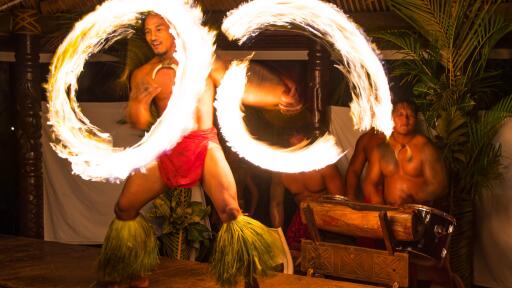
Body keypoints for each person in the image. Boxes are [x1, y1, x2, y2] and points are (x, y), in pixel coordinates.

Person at [97, 12, 302, 287]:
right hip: (165, 150)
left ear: (174, 29)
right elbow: (139, 121)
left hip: (203, 145)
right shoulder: (144, 74)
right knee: (124, 208)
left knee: (230, 211)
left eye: (159, 28)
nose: (153, 36)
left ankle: (248, 278)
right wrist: (139, 103)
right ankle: (135, 277)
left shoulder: (204, 62)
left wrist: (277, 98)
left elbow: (238, 87)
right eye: (148, 31)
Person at [362, 98, 447, 207]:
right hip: (389, 211)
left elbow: (440, 185)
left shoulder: (425, 147)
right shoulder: (382, 149)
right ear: (391, 118)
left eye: (410, 115)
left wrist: (415, 197)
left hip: (417, 213)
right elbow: (369, 183)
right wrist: (378, 203)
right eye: (400, 114)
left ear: (415, 119)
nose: (405, 119)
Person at [269, 133, 345, 251]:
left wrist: (330, 231)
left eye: (300, 136)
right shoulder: (280, 169)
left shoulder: (324, 164)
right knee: (293, 260)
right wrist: (278, 238)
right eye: (292, 136)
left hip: (328, 221)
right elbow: (276, 204)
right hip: (302, 221)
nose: (297, 139)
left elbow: (340, 203)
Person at [344, 128, 386, 201]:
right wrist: (351, 196)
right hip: (374, 197)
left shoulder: (408, 138)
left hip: (402, 199)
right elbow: (354, 170)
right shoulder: (367, 139)